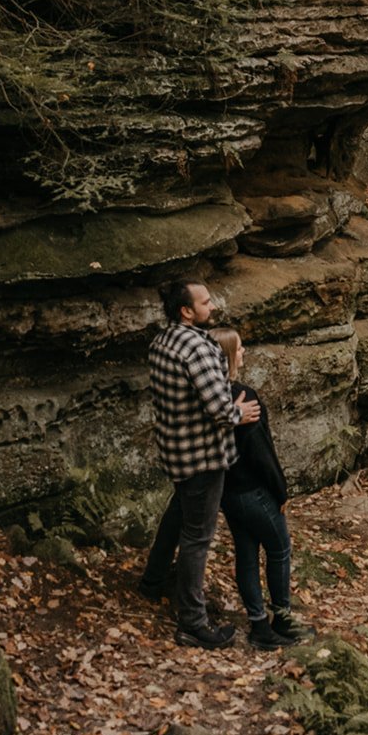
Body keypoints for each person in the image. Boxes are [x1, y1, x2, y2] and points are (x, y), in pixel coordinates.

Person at [139, 278, 260, 649]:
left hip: (176, 451)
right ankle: (193, 622)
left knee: (178, 516)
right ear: (186, 311)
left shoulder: (163, 341)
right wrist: (240, 411)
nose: (213, 306)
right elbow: (221, 410)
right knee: (198, 537)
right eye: (205, 302)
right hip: (203, 457)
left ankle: (152, 581)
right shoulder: (198, 348)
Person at [208, 326, 311, 649]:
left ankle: (259, 627)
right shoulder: (243, 397)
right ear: (226, 355)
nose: (244, 353)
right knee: (279, 550)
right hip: (253, 491)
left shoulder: (208, 401)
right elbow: (261, 452)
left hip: (227, 492)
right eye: (239, 348)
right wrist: (280, 492)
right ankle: (281, 618)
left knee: (247, 554)